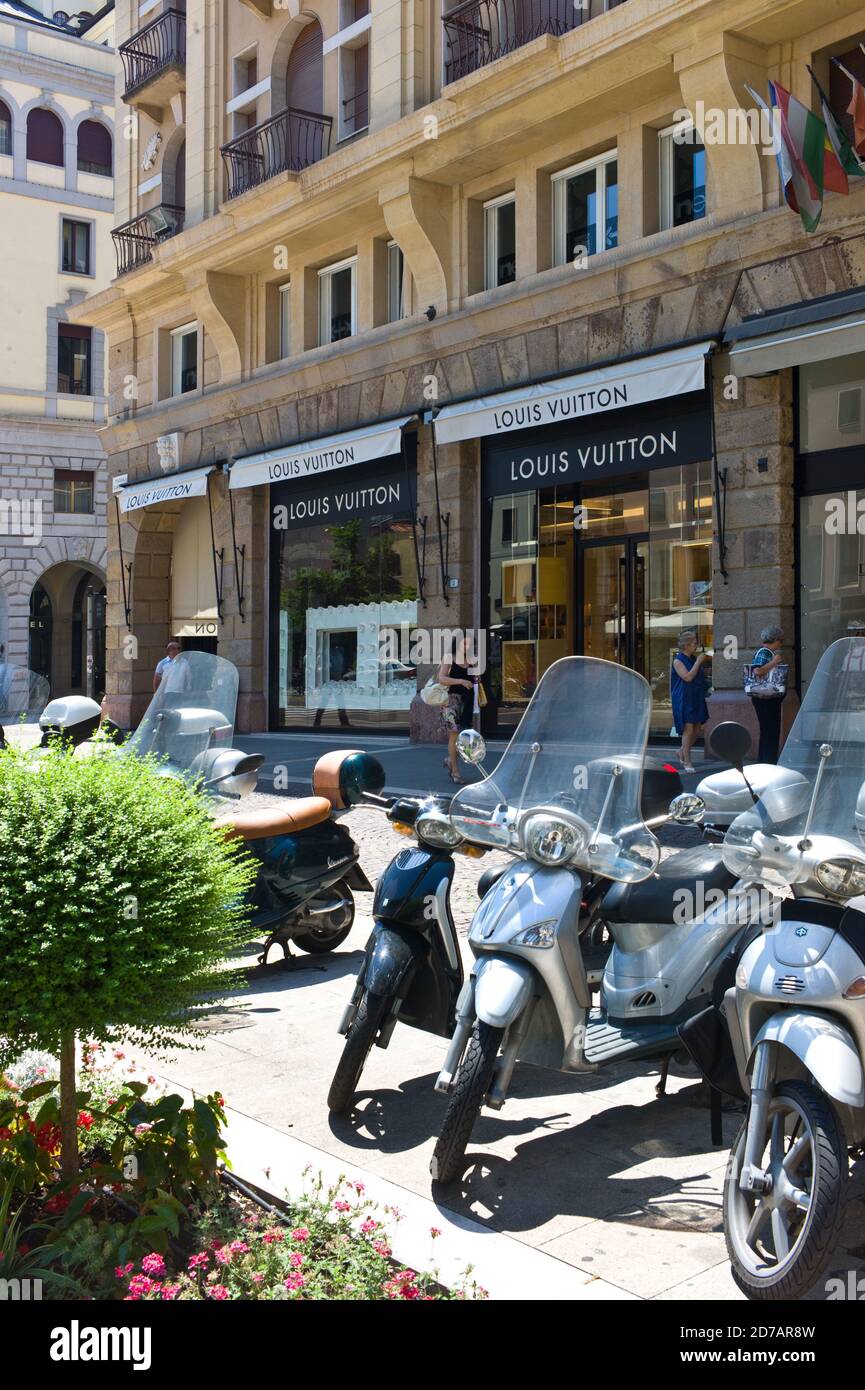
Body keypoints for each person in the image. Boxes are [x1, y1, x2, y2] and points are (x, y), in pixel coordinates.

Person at [437, 635, 477, 784]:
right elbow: (441, 678)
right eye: (464, 642)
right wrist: (460, 681)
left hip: (467, 701)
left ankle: (450, 760)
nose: (467, 645)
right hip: (451, 701)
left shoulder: (472, 660)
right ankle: (455, 771)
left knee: (463, 737)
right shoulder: (449, 657)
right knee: (454, 736)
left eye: (470, 643)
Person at [671, 630, 710, 773]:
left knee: (698, 727)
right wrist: (699, 662)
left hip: (696, 695)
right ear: (686, 645)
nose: (696, 645)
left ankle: (681, 751)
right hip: (684, 697)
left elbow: (697, 675)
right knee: (688, 728)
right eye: (694, 642)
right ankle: (687, 761)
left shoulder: (693, 658)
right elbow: (687, 677)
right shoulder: (678, 660)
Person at [749, 624, 786, 764]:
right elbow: (758, 671)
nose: (781, 643)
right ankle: (768, 762)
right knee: (770, 731)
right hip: (765, 698)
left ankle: (766, 761)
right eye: (781, 640)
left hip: (765, 697)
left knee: (768, 731)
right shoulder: (764, 652)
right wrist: (775, 661)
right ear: (775, 639)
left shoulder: (764, 652)